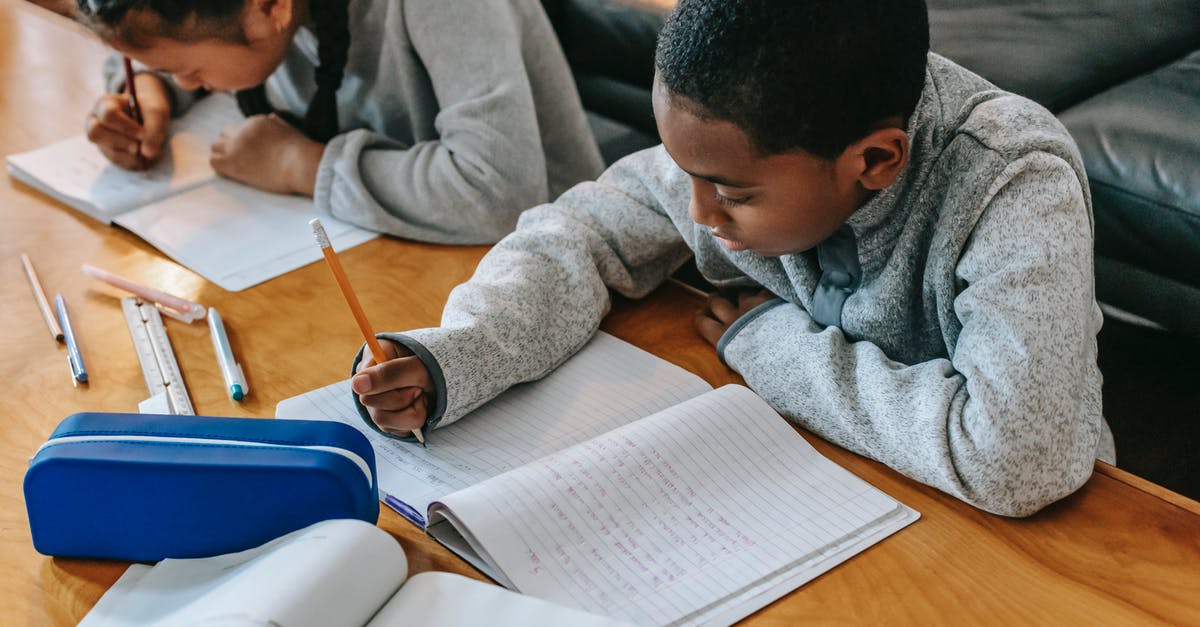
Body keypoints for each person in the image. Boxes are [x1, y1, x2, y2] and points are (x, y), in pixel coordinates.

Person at [349, 0, 1113, 517]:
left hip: (1013, 536)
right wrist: (464, 352)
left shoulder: (1012, 179)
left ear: (876, 160)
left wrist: (773, 347)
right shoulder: (746, 131)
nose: (696, 213)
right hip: (818, 485)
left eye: (729, 193)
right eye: (685, 173)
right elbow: (578, 229)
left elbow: (1021, 460)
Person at [77, 0, 605, 244]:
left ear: (271, 7)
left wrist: (301, 164)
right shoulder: (244, 16)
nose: (190, 84)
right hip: (391, 246)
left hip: (550, 259)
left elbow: (500, 192)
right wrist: (148, 87)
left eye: (188, 73)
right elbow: (171, 29)